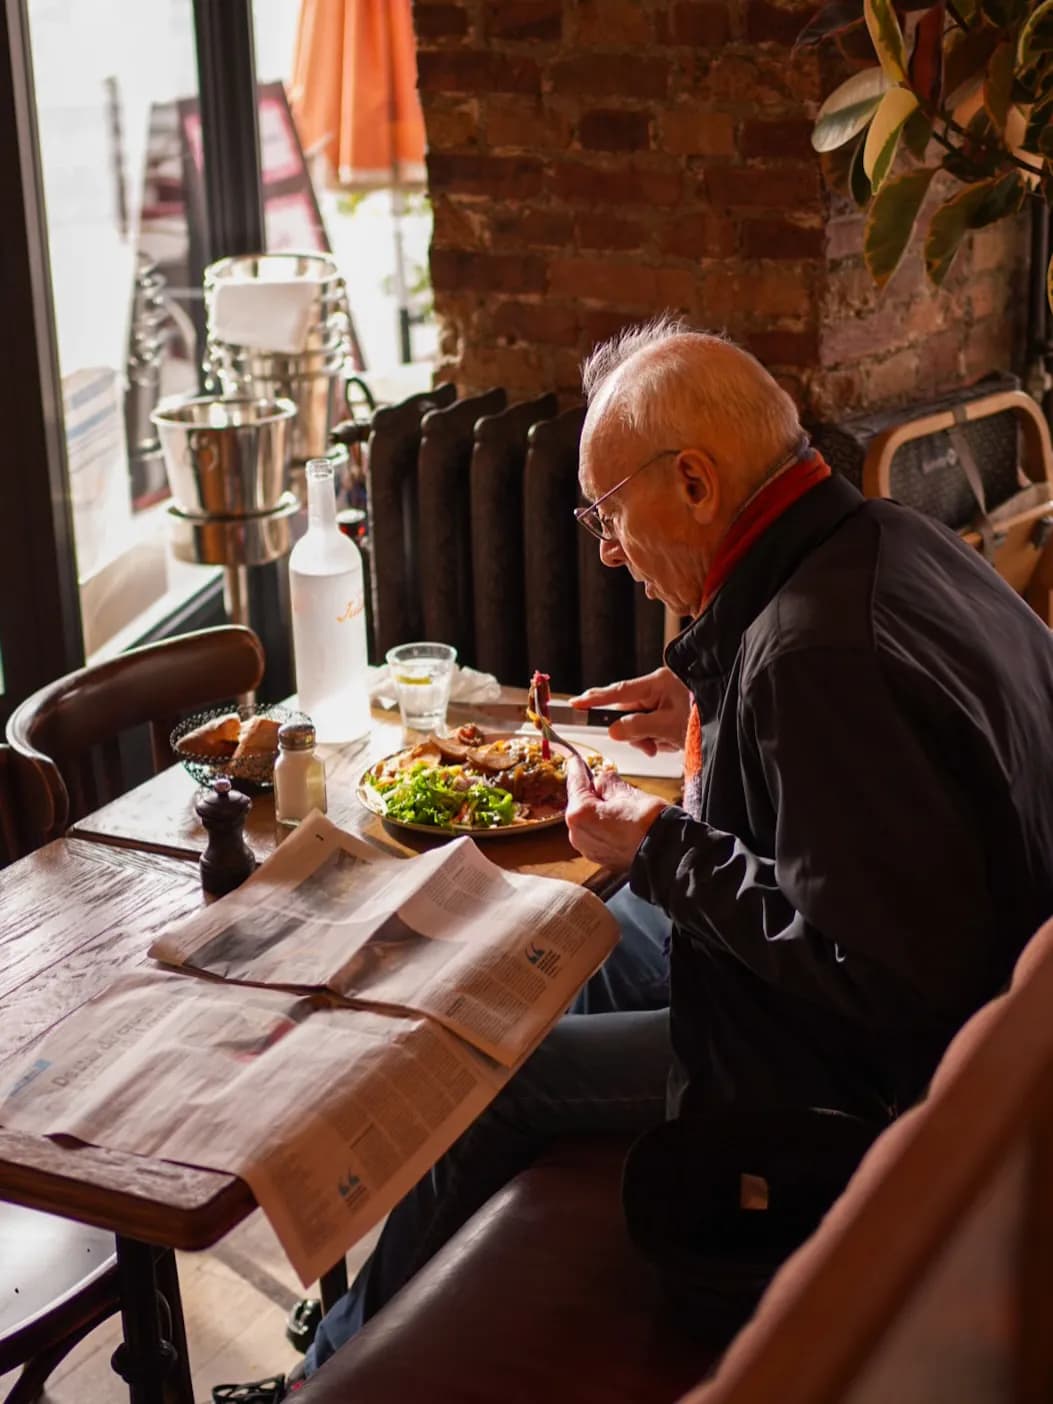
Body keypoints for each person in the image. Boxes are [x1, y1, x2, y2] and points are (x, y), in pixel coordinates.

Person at [293, 316, 1053, 1382]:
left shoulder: (813, 655)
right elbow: (866, 795)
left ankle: (331, 1367)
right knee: (558, 950)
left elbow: (876, 973)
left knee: (491, 1078)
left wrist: (657, 843)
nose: (607, 550)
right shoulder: (888, 537)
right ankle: (389, 1293)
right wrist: (713, 690)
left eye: (608, 512)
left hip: (865, 1071)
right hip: (932, 968)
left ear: (695, 483)